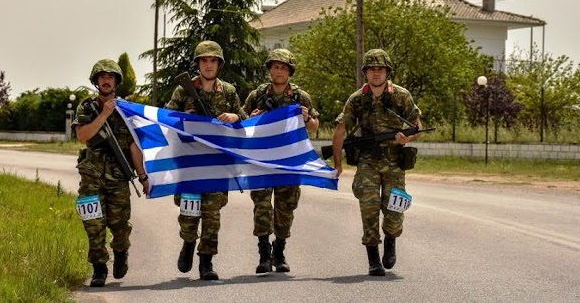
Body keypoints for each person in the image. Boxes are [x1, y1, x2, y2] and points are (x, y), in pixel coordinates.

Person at [331, 49, 423, 276]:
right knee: (369, 207)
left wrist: (407, 137)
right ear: (365, 73)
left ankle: (391, 239)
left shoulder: (401, 96)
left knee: (394, 209)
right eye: (371, 69)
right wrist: (337, 164)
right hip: (368, 162)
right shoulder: (357, 99)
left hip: (394, 160)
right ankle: (373, 257)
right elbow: (340, 131)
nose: (376, 73)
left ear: (387, 72)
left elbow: (417, 126)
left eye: (380, 69)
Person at [166, 40, 248, 280]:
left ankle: (206, 262)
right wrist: (182, 118)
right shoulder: (183, 90)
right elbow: (165, 120)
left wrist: (235, 116)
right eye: (204, 60)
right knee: (190, 214)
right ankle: (189, 243)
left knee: (212, 217)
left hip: (217, 165)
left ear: (219, 64)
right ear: (198, 63)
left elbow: (244, 122)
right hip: (190, 163)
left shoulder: (229, 91)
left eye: (213, 61)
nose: (209, 65)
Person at [73, 59, 150, 287]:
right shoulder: (87, 108)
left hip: (118, 176)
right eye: (102, 77)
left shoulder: (127, 110)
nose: (106, 80)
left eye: (110, 77)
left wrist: (143, 177)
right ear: (96, 81)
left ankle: (121, 252)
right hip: (91, 176)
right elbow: (83, 135)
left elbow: (133, 146)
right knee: (93, 222)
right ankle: (99, 268)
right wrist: (104, 115)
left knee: (120, 225)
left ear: (116, 81)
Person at [243, 48, 319, 274]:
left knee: (286, 208)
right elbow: (241, 123)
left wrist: (306, 118)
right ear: (269, 69)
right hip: (262, 160)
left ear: (290, 71)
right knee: (262, 208)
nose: (279, 71)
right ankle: (264, 253)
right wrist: (251, 119)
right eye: (275, 66)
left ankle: (280, 252)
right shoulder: (257, 95)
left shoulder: (300, 96)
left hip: (289, 160)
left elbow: (314, 126)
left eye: (284, 67)